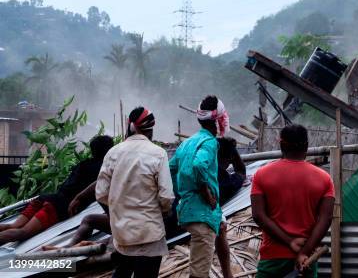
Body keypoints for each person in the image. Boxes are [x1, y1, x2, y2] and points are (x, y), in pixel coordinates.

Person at [96, 107, 175, 278]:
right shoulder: (158, 153)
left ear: (131, 126)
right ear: (151, 129)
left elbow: (101, 193)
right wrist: (162, 211)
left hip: (122, 234)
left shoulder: (113, 153)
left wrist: (117, 212)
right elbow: (167, 197)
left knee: (122, 271)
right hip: (150, 233)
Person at [251, 124, 334, 278]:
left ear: (281, 145)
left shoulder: (261, 175)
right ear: (307, 146)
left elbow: (258, 215)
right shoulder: (324, 178)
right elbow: (326, 218)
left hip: (272, 258)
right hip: (307, 260)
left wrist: (289, 241)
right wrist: (305, 251)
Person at [0, 135, 114, 244]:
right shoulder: (105, 170)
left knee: (13, 226)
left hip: (46, 198)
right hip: (58, 206)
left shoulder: (83, 164)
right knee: (23, 233)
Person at [169, 95, 223, 278]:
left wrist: (181, 193)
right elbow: (199, 165)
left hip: (187, 210)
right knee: (199, 274)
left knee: (197, 268)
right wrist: (206, 193)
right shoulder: (209, 142)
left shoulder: (187, 142)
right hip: (202, 213)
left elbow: (171, 168)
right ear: (216, 120)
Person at [216, 136, 247, 278]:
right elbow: (241, 172)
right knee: (220, 225)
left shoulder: (191, 170)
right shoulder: (223, 181)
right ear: (229, 159)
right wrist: (234, 153)